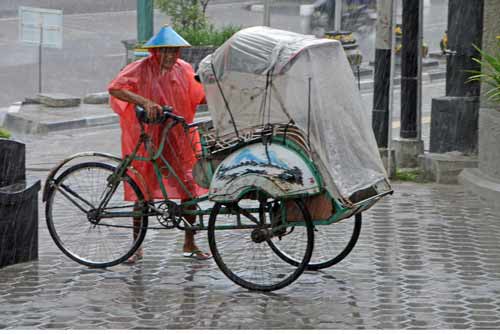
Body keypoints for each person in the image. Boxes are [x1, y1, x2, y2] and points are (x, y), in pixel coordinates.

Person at [108, 26, 211, 262]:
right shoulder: (141, 68)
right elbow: (116, 88)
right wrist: (144, 101)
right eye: (165, 51)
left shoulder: (183, 69)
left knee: (189, 188)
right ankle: (136, 246)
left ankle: (189, 243)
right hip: (148, 137)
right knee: (142, 191)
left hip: (177, 136)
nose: (170, 56)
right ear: (155, 52)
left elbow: (199, 95)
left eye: (173, 51)